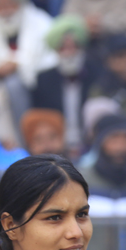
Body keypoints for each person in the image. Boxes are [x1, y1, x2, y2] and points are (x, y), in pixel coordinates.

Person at [0, 0, 57, 148]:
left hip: (35, 86)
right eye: (0, 5)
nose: (6, 10)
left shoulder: (39, 21)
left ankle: (23, 142)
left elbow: (49, 57)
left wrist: (17, 64)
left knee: (13, 84)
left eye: (10, 3)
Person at [31, 14, 91, 155]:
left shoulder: (96, 73)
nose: (69, 52)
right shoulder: (44, 79)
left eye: (73, 47)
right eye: (63, 48)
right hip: (56, 148)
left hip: (89, 146)